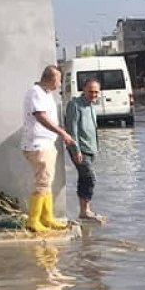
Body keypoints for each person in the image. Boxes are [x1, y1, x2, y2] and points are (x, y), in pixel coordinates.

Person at [22, 65, 73, 233]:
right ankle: (33, 220)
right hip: (38, 145)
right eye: (59, 80)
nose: (59, 84)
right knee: (42, 182)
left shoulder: (46, 94)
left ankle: (47, 217)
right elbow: (40, 116)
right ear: (51, 78)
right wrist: (61, 132)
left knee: (47, 182)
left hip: (46, 144)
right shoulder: (36, 92)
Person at [63, 78, 105, 222]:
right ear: (84, 90)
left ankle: (84, 211)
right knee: (90, 178)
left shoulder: (92, 106)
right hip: (80, 149)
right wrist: (76, 151)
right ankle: (85, 211)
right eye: (90, 91)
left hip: (91, 149)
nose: (93, 94)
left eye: (96, 92)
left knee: (84, 179)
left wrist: (97, 148)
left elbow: (94, 129)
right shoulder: (75, 105)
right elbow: (71, 130)